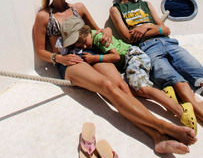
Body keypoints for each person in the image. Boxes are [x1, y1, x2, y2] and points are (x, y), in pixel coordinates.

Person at [33, 0, 197, 155]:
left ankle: (157, 138)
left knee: (123, 86)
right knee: (107, 86)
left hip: (91, 52)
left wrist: (108, 32)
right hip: (69, 60)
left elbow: (98, 31)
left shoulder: (79, 8)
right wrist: (58, 58)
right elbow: (40, 50)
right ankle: (163, 127)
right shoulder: (44, 17)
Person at [58, 16, 197, 133]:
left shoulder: (100, 38)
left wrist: (96, 58)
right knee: (128, 90)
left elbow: (116, 57)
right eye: (78, 45)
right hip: (126, 64)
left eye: (82, 42)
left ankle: (181, 110)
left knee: (142, 88)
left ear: (86, 32)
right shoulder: (90, 41)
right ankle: (167, 94)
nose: (82, 47)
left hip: (133, 57)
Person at [110, 0, 203, 124]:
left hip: (169, 43)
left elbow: (165, 29)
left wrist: (145, 27)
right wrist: (155, 28)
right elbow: (128, 37)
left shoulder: (146, 4)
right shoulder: (116, 9)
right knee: (178, 83)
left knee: (198, 72)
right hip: (147, 49)